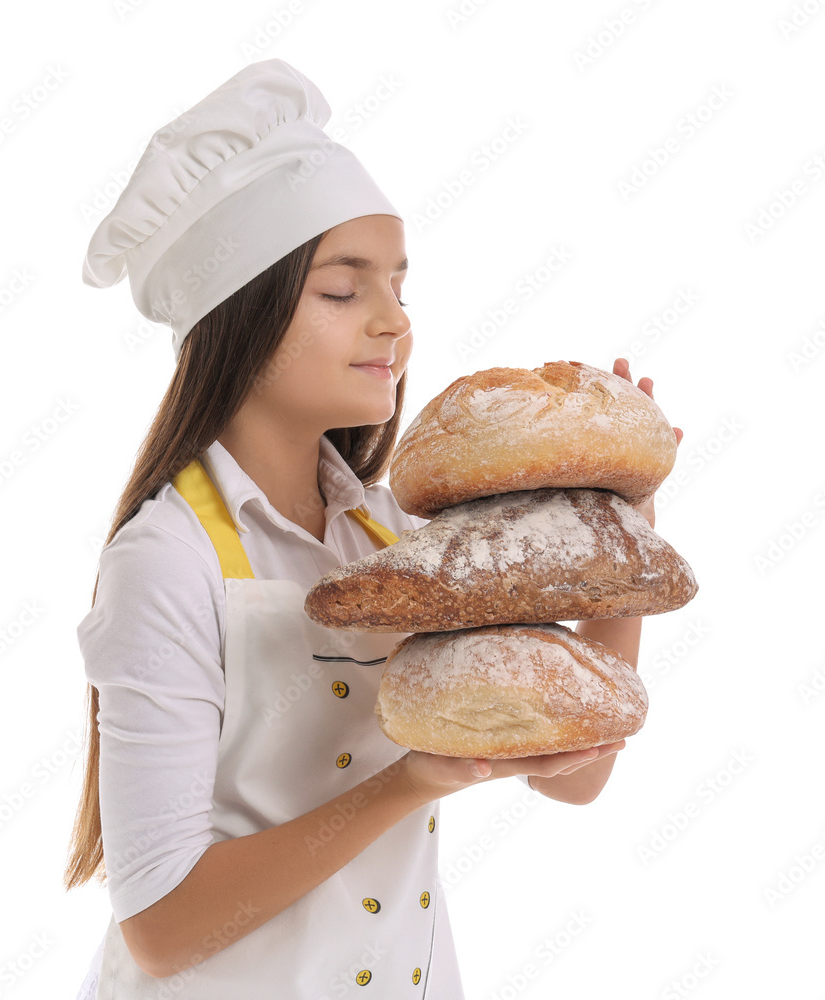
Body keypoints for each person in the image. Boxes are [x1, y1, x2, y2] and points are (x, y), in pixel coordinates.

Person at [64, 59, 682, 999]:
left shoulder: (394, 539)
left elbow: (572, 779)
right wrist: (414, 780)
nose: (393, 321)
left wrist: (616, 532)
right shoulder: (168, 561)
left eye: (398, 284)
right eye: (343, 291)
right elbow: (159, 931)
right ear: (241, 315)